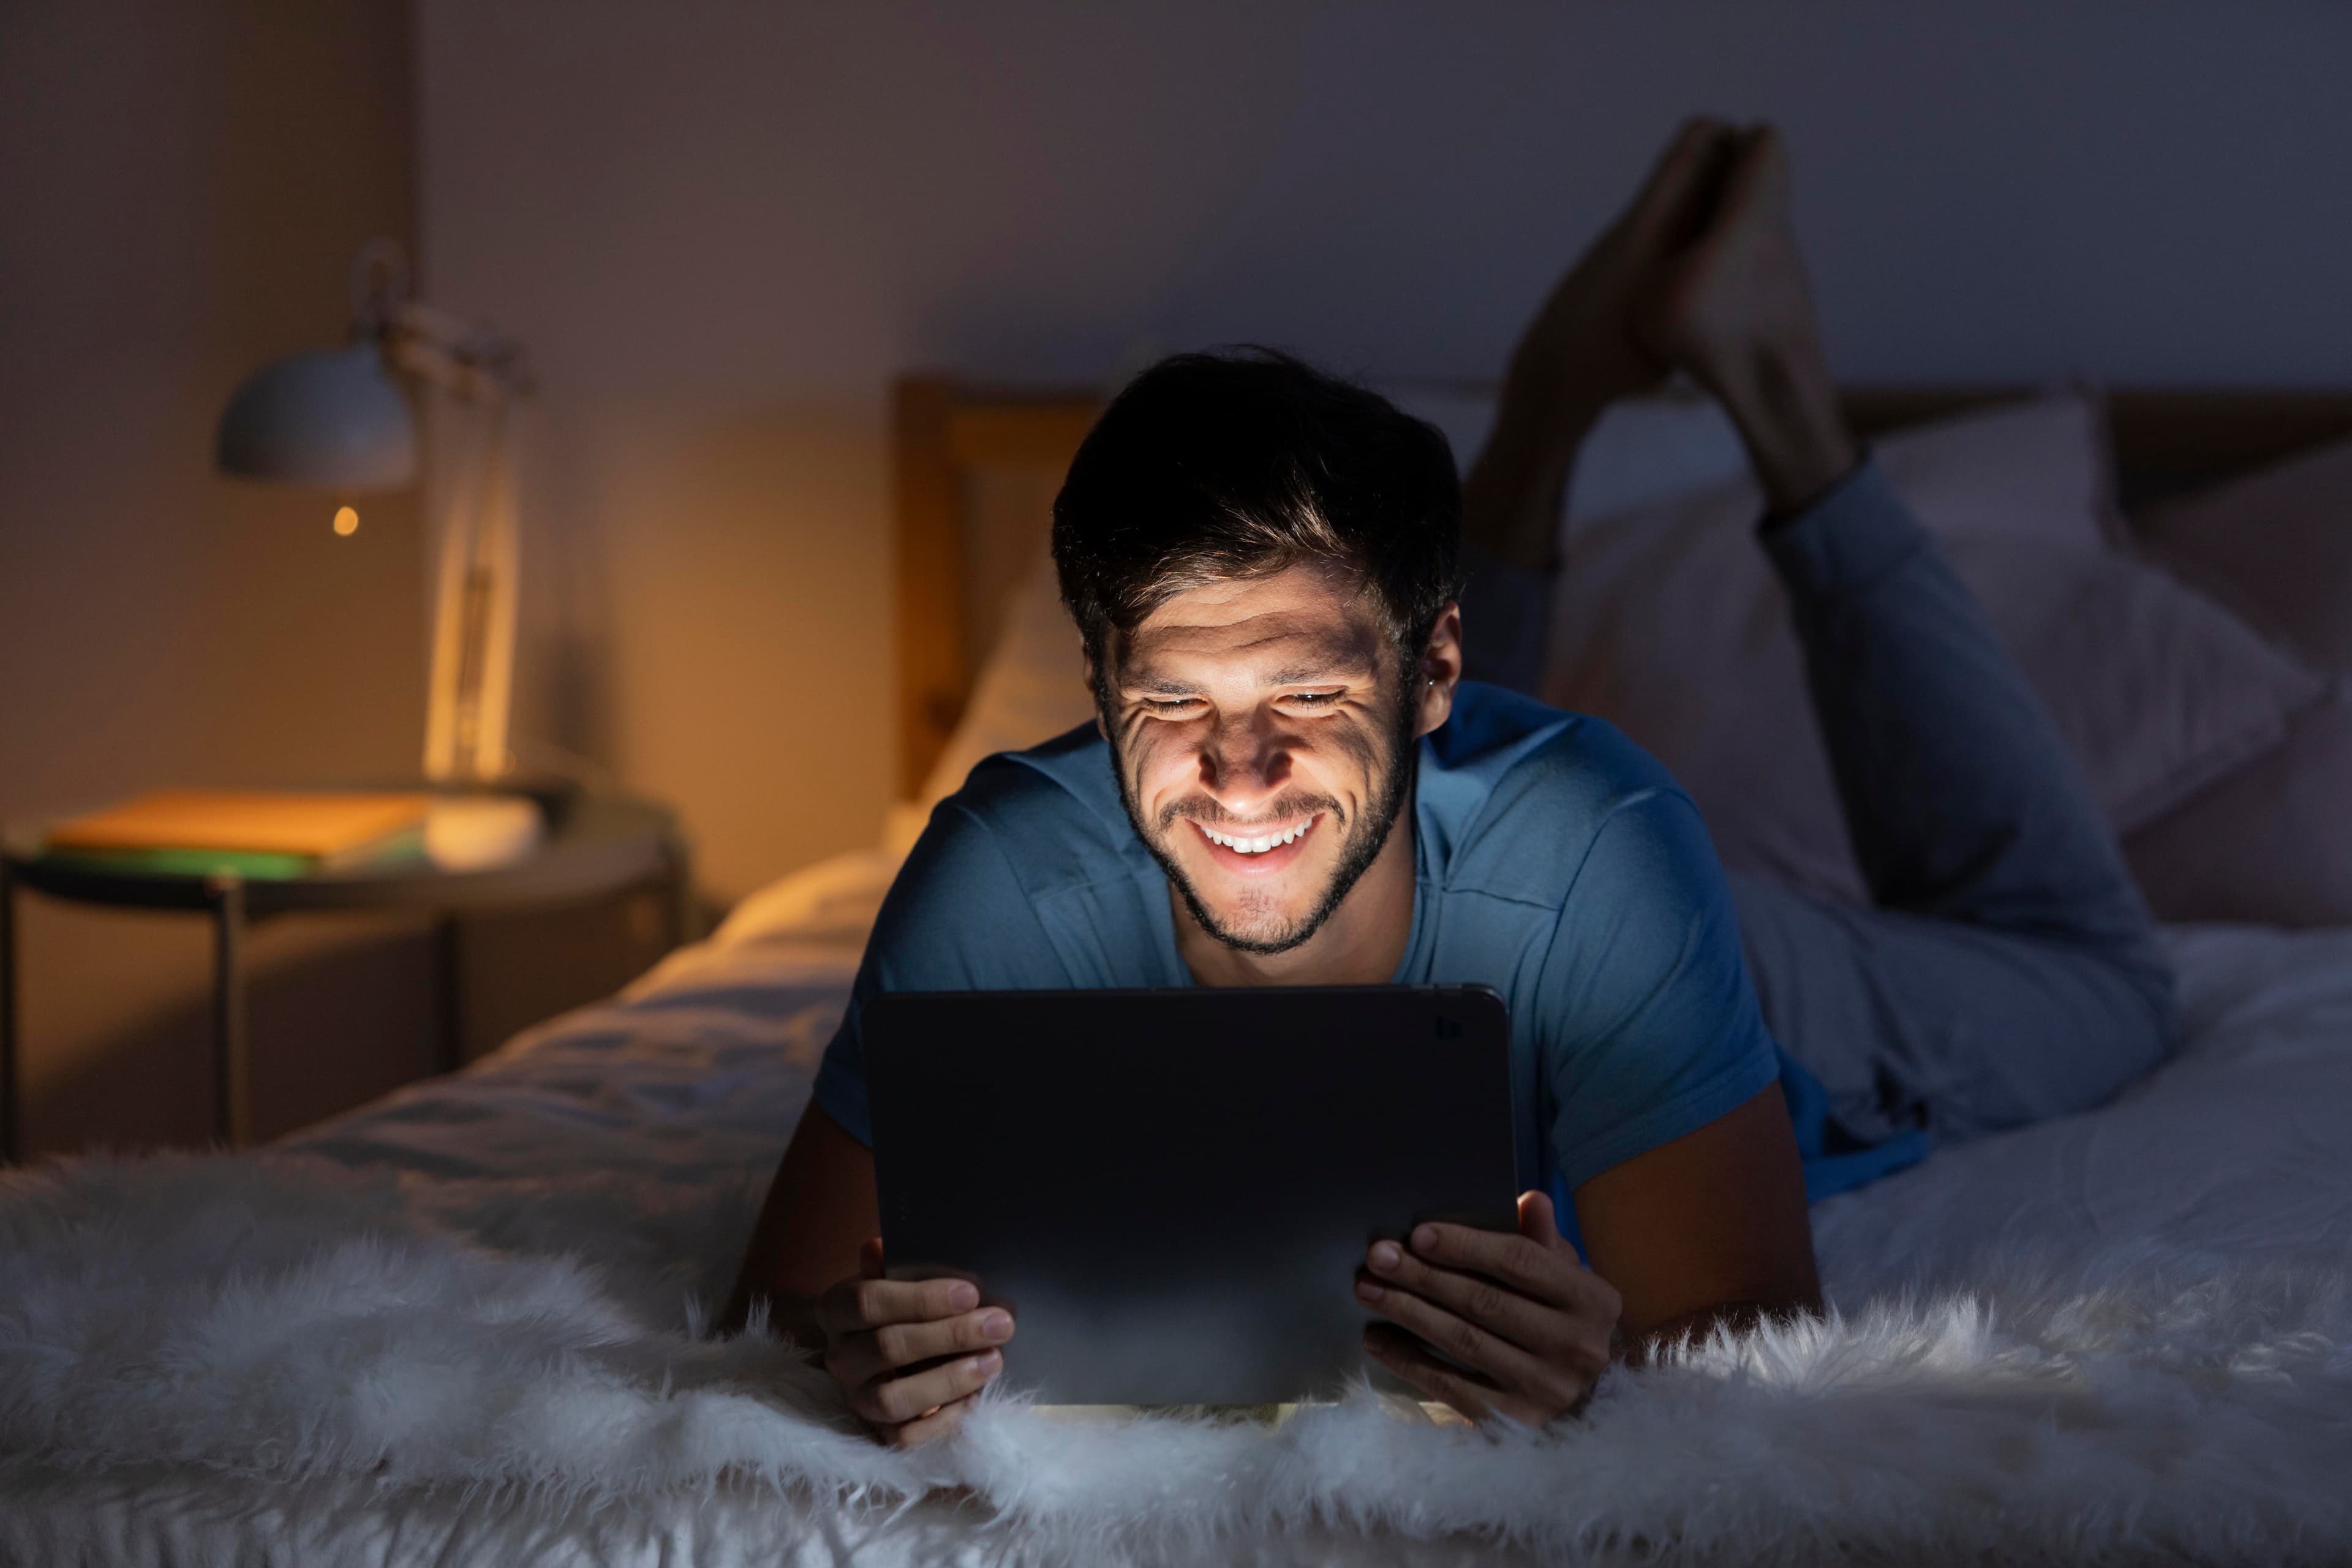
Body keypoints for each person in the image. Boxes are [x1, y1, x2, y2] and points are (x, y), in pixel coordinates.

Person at [722, 119, 2176, 1445]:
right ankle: (1548, 411)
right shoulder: (1000, 870)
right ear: (1100, 691)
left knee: (2103, 978)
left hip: (1685, 950)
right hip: (1447, 826)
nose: (1237, 770)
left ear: (1435, 676)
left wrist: (1607, 1370)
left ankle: (1782, 400)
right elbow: (779, 1307)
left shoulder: (1605, 854)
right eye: (1172, 701)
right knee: (1357, 781)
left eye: (1306, 693)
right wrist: (860, 1349)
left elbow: (1744, 1322)